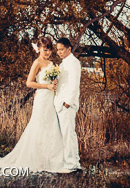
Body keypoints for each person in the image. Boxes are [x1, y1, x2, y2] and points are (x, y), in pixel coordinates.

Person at [0, 36, 65, 172]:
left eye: (49, 49)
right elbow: (29, 82)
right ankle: (36, 159)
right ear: (38, 49)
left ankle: (51, 159)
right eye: (45, 49)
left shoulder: (51, 64)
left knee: (51, 127)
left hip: (50, 99)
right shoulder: (37, 63)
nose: (48, 52)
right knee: (39, 126)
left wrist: (54, 84)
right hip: (42, 99)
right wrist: (46, 87)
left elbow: (52, 82)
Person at [54, 37, 82, 171]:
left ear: (69, 49)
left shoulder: (73, 63)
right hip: (60, 103)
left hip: (67, 104)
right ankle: (72, 161)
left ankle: (72, 164)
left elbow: (74, 84)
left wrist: (68, 103)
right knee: (66, 134)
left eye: (61, 49)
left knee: (68, 134)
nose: (59, 52)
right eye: (58, 50)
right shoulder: (64, 63)